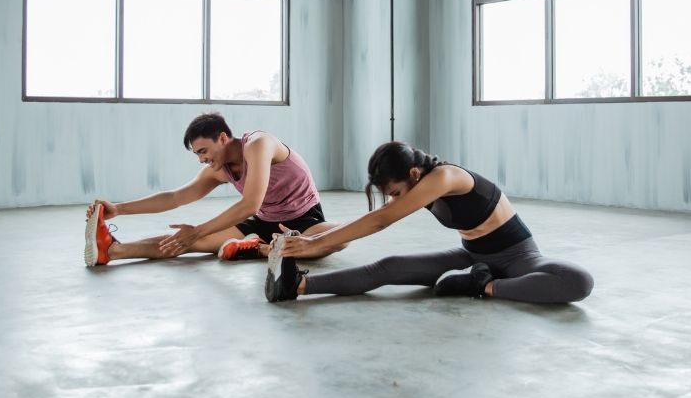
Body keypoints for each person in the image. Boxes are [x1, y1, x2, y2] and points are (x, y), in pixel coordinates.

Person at [264, 141, 594, 304]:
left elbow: (380, 221)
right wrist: (311, 245)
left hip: (517, 256)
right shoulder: (419, 180)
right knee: (388, 267)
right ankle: (299, 286)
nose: (394, 200)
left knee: (578, 281)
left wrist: (314, 242)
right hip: (473, 256)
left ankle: (483, 286)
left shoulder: (444, 177)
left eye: (395, 192)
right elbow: (374, 217)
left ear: (413, 174)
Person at [84, 112, 345, 266]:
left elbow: (250, 204)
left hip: (305, 220)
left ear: (222, 138)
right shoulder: (219, 168)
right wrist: (118, 209)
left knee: (339, 239)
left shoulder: (259, 144)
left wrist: (198, 230)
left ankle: (257, 248)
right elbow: (175, 197)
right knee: (186, 242)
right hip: (264, 223)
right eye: (197, 154)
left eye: (203, 151)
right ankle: (113, 251)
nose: (201, 159)